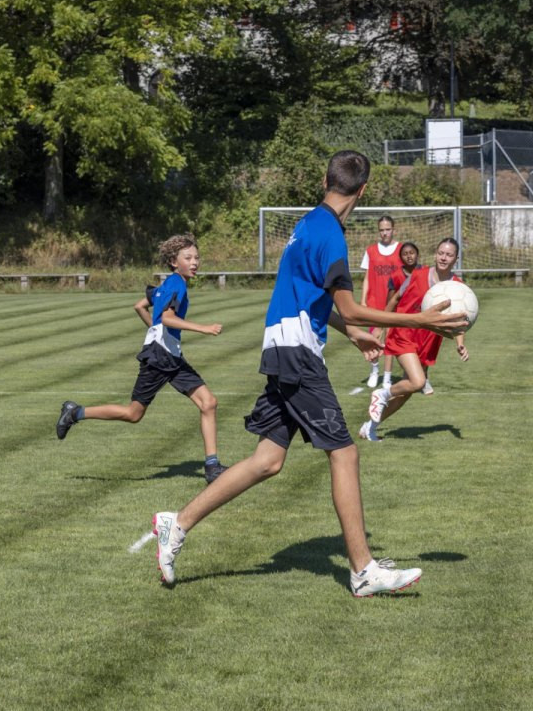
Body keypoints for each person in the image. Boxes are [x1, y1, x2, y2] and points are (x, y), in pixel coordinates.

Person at [150, 151, 466, 597]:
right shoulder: (333, 238)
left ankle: (176, 523)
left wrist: (351, 333)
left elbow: (315, 299)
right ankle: (362, 570)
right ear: (364, 191)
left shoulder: (306, 227)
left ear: (325, 180)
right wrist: (423, 321)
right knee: (345, 453)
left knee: (267, 461)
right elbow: (350, 305)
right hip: (297, 354)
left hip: (281, 346)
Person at [57, 235, 228, 484]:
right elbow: (167, 318)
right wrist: (203, 328)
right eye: (188, 258)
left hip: (170, 355)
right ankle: (75, 412)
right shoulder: (176, 285)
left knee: (208, 403)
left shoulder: (169, 284)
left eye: (197, 257)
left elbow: (140, 306)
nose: (194, 263)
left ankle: (212, 466)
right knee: (133, 413)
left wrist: (154, 331)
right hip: (159, 358)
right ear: (173, 261)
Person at [361, 238, 470, 441]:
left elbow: (459, 319)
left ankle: (370, 427)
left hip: (428, 342)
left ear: (456, 258)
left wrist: (460, 343)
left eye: (449, 254)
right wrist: (381, 328)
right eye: (441, 253)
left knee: (407, 391)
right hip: (405, 333)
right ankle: (383, 393)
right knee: (418, 381)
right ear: (435, 253)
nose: (443, 257)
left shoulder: (458, 287)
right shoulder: (418, 275)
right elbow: (394, 300)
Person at [359, 216, 403, 388]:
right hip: (374, 303)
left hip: (393, 304)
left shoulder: (400, 250)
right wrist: (363, 300)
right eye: (382, 230)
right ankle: (374, 371)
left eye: (388, 229)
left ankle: (387, 377)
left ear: (393, 229)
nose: (385, 233)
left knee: (390, 341)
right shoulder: (370, 251)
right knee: (373, 340)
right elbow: (367, 278)